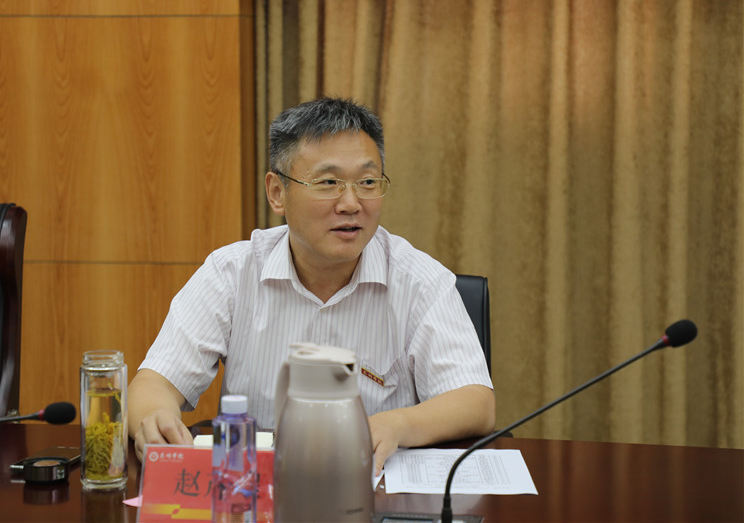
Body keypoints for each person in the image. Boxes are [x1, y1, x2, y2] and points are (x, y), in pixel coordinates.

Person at [128, 97, 495, 473]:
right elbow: (154, 383)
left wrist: (396, 425)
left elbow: (475, 401)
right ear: (277, 193)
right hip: (255, 490)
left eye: (368, 182)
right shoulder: (231, 273)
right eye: (328, 183)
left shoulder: (420, 281)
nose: (351, 203)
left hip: (375, 490)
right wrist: (156, 418)